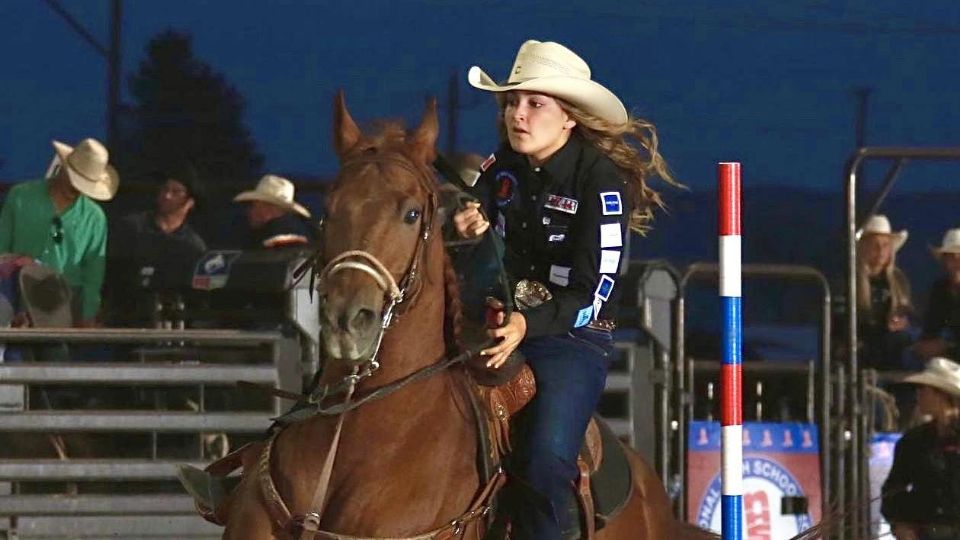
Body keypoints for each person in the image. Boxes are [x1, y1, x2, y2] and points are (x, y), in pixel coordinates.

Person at [453, 40, 678, 539]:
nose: (518, 114)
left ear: (570, 117)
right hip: (491, 320)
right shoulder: (502, 167)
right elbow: (472, 203)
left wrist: (526, 324)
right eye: (513, 102)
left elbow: (596, 291)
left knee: (547, 456)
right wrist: (466, 219)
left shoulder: (602, 182)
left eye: (535, 104)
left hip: (571, 338)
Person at [0, 138, 118, 326]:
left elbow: (94, 270)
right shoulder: (20, 196)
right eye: (75, 179)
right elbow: (2, 245)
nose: (77, 188)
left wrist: (88, 312)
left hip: (64, 301)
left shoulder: (94, 217)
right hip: (17, 293)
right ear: (63, 168)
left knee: (55, 353)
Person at [106, 161, 207, 326]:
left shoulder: (193, 246)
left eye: (176, 192)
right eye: (165, 189)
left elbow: (197, 296)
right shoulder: (132, 228)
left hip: (174, 326)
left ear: (190, 202)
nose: (167, 196)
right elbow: (112, 272)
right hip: (128, 320)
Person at [881, 357, 960, 540]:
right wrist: (899, 525)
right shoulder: (914, 441)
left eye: (923, 390)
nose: (918, 396)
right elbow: (893, 489)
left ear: (941, 394)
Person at [856, 215, 913, 370]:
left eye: (885, 245)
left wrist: (901, 322)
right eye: (875, 245)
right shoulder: (849, 280)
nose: (881, 251)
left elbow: (906, 314)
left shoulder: (898, 280)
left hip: (890, 347)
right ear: (863, 247)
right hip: (859, 347)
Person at [914, 229, 960, 361]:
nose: (957, 261)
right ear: (944, 261)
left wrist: (946, 347)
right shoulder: (940, 289)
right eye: (951, 256)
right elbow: (931, 327)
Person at [233, 174, 314, 249]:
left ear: (270, 208)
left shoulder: (272, 237)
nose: (249, 212)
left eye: (254, 206)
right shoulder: (300, 230)